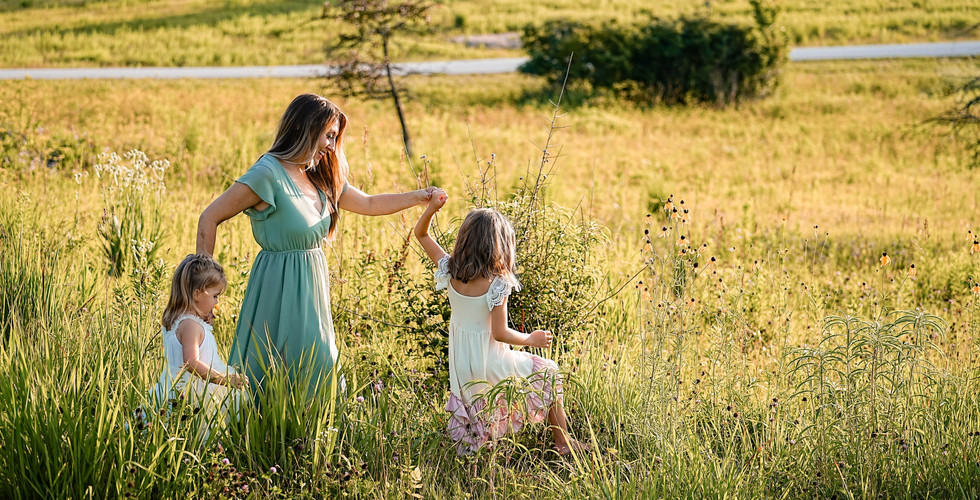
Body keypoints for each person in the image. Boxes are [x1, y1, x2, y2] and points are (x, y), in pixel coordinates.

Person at [196, 93, 442, 395]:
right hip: (276, 286)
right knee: (269, 368)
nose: (331, 145)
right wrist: (203, 287)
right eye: (328, 135)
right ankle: (263, 434)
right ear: (304, 129)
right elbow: (209, 217)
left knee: (318, 362)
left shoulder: (318, 176)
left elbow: (369, 202)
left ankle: (310, 434)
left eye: (334, 137)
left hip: (311, 287)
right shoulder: (267, 173)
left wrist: (419, 196)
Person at [414, 196, 588, 456]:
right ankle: (563, 444)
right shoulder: (497, 283)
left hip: (462, 364)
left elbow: (421, 233)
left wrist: (431, 209)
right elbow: (500, 333)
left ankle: (473, 456)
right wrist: (532, 339)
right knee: (549, 372)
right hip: (489, 360)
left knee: (477, 406)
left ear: (465, 240)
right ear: (498, 246)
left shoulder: (449, 269)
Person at [150, 254, 248, 426]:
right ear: (197, 294)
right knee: (200, 431)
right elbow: (191, 362)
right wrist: (223, 379)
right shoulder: (191, 326)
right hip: (195, 391)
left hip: (175, 387)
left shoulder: (180, 320)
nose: (217, 302)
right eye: (215, 296)